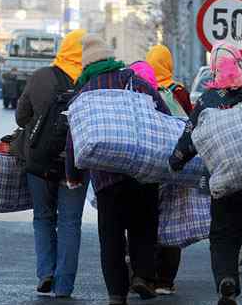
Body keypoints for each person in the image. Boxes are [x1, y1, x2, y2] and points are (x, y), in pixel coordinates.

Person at [168, 42, 242, 305]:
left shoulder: (207, 102)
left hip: (229, 183)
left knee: (224, 237)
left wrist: (174, 163)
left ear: (213, 69)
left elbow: (188, 142)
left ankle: (227, 281)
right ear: (240, 64)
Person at [66, 34, 170, 305]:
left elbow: (74, 137)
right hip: (143, 170)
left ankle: (116, 293)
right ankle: (143, 275)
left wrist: (74, 175)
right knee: (144, 227)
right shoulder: (136, 82)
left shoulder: (85, 92)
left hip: (107, 178)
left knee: (110, 236)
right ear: (111, 58)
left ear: (86, 64)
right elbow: (163, 114)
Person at [15, 29, 88, 298]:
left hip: (40, 161)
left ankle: (46, 272)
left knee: (43, 218)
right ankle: (64, 286)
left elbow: (21, 118)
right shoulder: (89, 80)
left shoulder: (40, 77)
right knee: (70, 222)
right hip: (75, 163)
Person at [145, 45, 194, 295]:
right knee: (172, 218)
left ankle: (146, 273)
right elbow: (192, 122)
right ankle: (165, 280)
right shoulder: (179, 92)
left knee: (147, 217)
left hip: (148, 163)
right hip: (175, 163)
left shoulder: (142, 87)